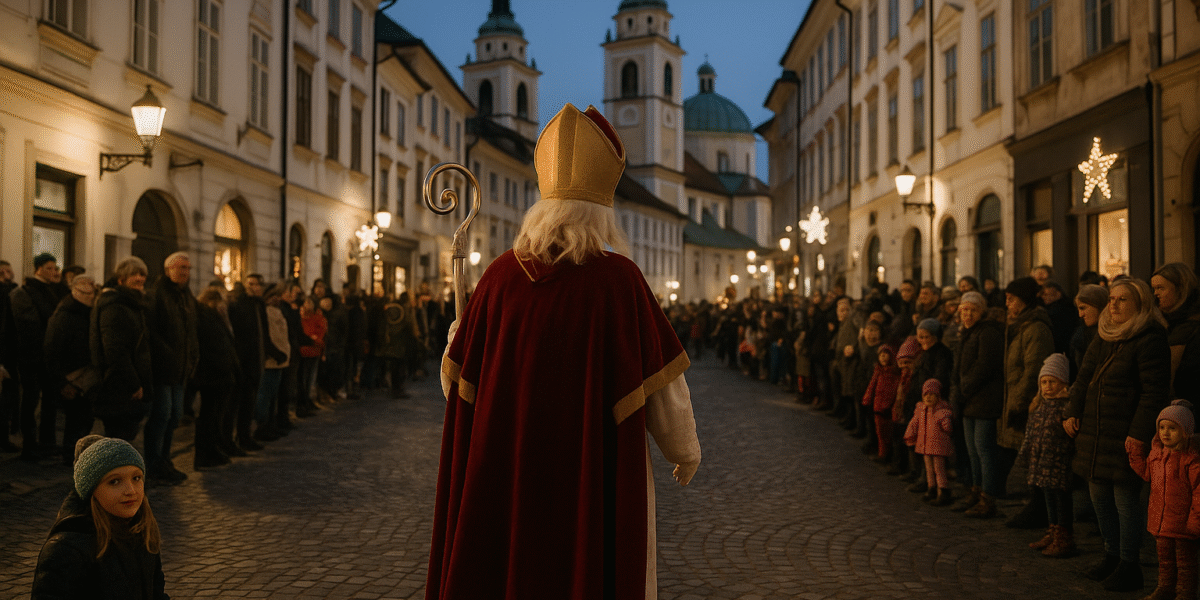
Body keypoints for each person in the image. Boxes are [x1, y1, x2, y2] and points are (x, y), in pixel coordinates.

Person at [426, 103, 700, 600]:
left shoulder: (500, 277)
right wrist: (684, 448)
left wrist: (458, 331)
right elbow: (663, 386)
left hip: (506, 467)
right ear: (603, 210)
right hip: (590, 473)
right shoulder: (619, 282)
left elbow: (457, 385)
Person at [1064, 277, 1171, 592]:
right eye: (1111, 299)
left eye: (1122, 299)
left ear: (1140, 304)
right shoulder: (1105, 334)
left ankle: (1129, 563)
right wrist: (1072, 410)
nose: (1113, 304)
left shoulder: (1149, 337)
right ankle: (1111, 555)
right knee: (1099, 497)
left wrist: (1138, 434)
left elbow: (1154, 393)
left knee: (1125, 500)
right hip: (1097, 432)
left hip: (1124, 432)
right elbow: (1084, 377)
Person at [30, 435, 167, 599]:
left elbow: (156, 593)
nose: (131, 490)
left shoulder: (141, 532)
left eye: (136, 478)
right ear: (91, 490)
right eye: (114, 481)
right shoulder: (67, 549)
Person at [1127, 400, 1200, 600]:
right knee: (1165, 560)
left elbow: (1198, 493)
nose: (1165, 433)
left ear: (1185, 431)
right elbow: (1146, 473)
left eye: (1172, 428)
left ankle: (1185, 594)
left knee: (1186, 564)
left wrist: (1195, 521)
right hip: (1161, 521)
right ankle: (1165, 588)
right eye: (1161, 427)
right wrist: (1134, 453)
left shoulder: (1191, 460)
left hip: (1184, 525)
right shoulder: (1157, 454)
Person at [999, 276, 1055, 529]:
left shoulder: (1035, 328)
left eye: (1011, 299)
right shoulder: (1019, 325)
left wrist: (1018, 404)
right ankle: (1034, 505)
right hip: (1018, 399)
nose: (1007, 303)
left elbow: (1032, 370)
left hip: (1030, 403)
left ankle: (1039, 509)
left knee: (1034, 457)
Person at [950, 291, 1006, 517]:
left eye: (972, 310)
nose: (968, 314)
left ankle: (988, 497)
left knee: (984, 450)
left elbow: (984, 365)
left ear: (981, 312)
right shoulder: (966, 333)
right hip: (968, 399)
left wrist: (964, 389)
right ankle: (975, 490)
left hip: (983, 399)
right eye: (964, 310)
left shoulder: (988, 332)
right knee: (972, 451)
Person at [144, 252, 198, 484]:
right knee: (161, 415)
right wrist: (167, 353)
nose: (184, 272)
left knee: (175, 416)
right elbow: (152, 331)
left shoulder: (186, 296)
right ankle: (153, 463)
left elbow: (191, 331)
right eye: (180, 268)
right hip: (163, 369)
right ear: (168, 270)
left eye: (187, 268)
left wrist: (192, 356)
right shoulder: (157, 294)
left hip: (180, 368)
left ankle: (165, 460)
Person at [1018, 354, 1077, 557]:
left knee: (1061, 501)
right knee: (1049, 500)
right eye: (1044, 382)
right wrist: (1025, 455)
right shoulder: (1039, 407)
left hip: (1059, 464)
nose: (1048, 386)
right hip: (1041, 463)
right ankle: (1052, 531)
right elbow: (1031, 434)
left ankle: (1064, 536)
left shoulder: (1066, 407)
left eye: (1052, 381)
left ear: (1063, 383)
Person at [10, 252, 66, 460]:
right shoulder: (25, 291)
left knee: (50, 400)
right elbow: (28, 326)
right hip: (32, 356)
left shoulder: (56, 291)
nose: (54, 272)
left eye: (55, 268)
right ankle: (30, 444)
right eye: (50, 268)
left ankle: (47, 442)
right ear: (38, 269)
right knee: (31, 400)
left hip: (50, 356)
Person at [90, 257, 153, 442]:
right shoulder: (114, 305)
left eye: (142, 274)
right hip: (118, 385)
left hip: (128, 383)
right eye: (134, 274)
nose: (140, 278)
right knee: (118, 439)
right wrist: (134, 383)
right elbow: (114, 350)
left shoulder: (133, 304)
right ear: (121, 279)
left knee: (124, 437)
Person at [43, 275, 98, 466]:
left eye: (92, 292)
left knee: (85, 418)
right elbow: (51, 351)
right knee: (76, 419)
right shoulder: (64, 315)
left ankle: (76, 455)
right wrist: (62, 382)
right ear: (75, 291)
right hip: (69, 375)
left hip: (86, 373)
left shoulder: (89, 312)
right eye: (85, 292)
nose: (90, 296)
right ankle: (71, 456)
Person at [901, 319, 954, 493]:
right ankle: (920, 476)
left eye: (926, 336)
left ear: (935, 336)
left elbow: (939, 379)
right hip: (919, 403)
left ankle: (931, 482)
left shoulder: (941, 354)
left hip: (931, 405)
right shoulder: (923, 353)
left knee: (930, 447)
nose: (922, 340)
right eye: (920, 337)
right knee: (919, 441)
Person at [193, 287, 239, 468]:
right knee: (208, 415)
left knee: (216, 415)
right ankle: (204, 454)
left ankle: (212, 449)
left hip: (222, 374)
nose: (223, 307)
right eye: (220, 303)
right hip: (211, 375)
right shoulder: (205, 317)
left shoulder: (217, 318)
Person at [1152, 263, 1200, 403]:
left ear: (1181, 289)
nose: (1155, 294)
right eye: (1154, 288)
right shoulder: (1165, 323)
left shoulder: (1191, 327)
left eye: (1160, 288)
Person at [905, 379, 955, 506]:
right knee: (928, 469)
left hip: (938, 447)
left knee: (939, 469)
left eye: (932, 395)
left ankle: (943, 490)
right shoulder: (921, 410)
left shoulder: (942, 412)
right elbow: (914, 424)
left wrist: (945, 421)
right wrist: (910, 435)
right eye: (926, 395)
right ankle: (931, 488)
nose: (928, 397)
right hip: (925, 445)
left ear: (938, 396)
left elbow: (948, 428)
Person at [256, 284, 291, 442]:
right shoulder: (265, 312)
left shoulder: (278, 311)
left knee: (273, 395)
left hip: (281, 360)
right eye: (273, 296)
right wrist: (276, 353)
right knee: (265, 395)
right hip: (271, 360)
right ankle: (262, 426)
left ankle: (270, 424)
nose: (276, 299)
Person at [862, 343, 900, 464]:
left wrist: (888, 405)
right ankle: (882, 453)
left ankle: (887, 455)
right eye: (881, 355)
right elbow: (872, 386)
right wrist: (867, 398)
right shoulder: (878, 371)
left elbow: (893, 391)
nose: (883, 357)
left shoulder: (893, 374)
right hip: (877, 406)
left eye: (885, 355)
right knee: (880, 433)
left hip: (887, 408)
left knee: (888, 433)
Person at [1071, 285, 1110, 377]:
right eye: (1079, 309)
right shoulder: (1081, 336)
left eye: (1083, 308)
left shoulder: (1114, 334)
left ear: (1098, 305)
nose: (1080, 315)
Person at [297, 296, 326, 416]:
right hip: (303, 351)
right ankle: (303, 402)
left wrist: (316, 340)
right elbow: (303, 334)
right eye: (306, 302)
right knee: (303, 379)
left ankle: (308, 400)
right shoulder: (300, 318)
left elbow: (321, 333)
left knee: (311, 378)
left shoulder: (318, 317)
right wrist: (312, 338)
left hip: (314, 351)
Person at [1040, 281, 1079, 355]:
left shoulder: (1057, 311)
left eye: (1046, 294)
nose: (1043, 297)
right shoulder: (1069, 306)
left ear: (1058, 294)